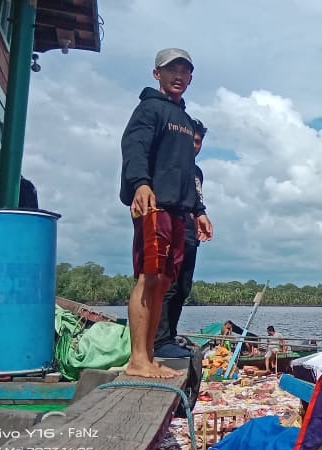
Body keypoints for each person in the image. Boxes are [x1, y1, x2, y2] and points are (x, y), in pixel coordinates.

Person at [120, 48, 213, 378]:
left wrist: (198, 209)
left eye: (185, 71)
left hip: (179, 209)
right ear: (157, 73)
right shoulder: (149, 109)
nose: (179, 76)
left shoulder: (185, 121)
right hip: (154, 204)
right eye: (172, 69)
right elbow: (134, 148)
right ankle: (137, 360)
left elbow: (187, 169)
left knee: (163, 282)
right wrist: (140, 184)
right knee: (148, 277)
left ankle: (151, 353)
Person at [154, 118, 212, 359]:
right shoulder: (171, 166)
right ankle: (159, 340)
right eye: (192, 140)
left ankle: (170, 336)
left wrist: (201, 217)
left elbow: (196, 201)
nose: (195, 145)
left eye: (199, 141)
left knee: (183, 288)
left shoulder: (196, 171)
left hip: (190, 235)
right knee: (168, 285)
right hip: (172, 229)